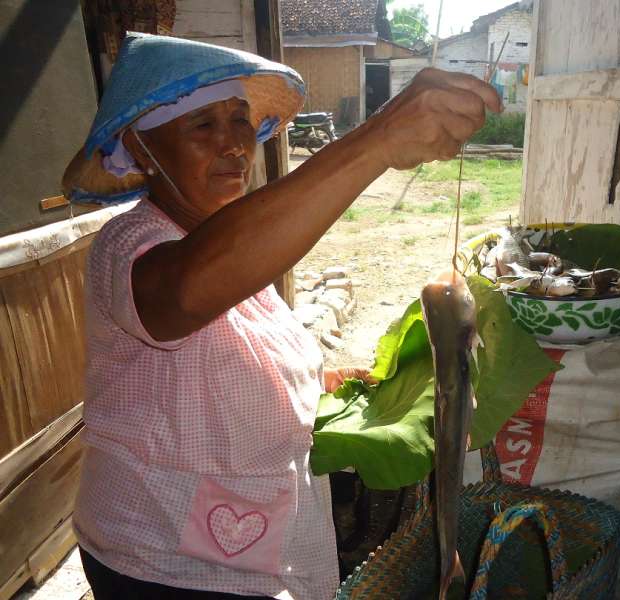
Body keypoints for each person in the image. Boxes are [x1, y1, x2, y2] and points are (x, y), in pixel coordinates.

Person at [66, 33, 501, 599]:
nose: (233, 145)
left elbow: (225, 358)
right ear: (142, 149)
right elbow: (183, 296)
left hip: (248, 543)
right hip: (160, 563)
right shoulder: (127, 245)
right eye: (203, 125)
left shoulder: (231, 242)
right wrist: (378, 140)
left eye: (240, 120)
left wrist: (324, 382)